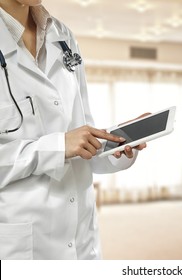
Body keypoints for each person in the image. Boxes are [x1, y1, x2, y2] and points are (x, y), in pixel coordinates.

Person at [0, 0, 147, 259]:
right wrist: (57, 147)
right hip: (21, 242)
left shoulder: (64, 37)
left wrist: (114, 143)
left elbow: (79, 135)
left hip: (81, 236)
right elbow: (65, 144)